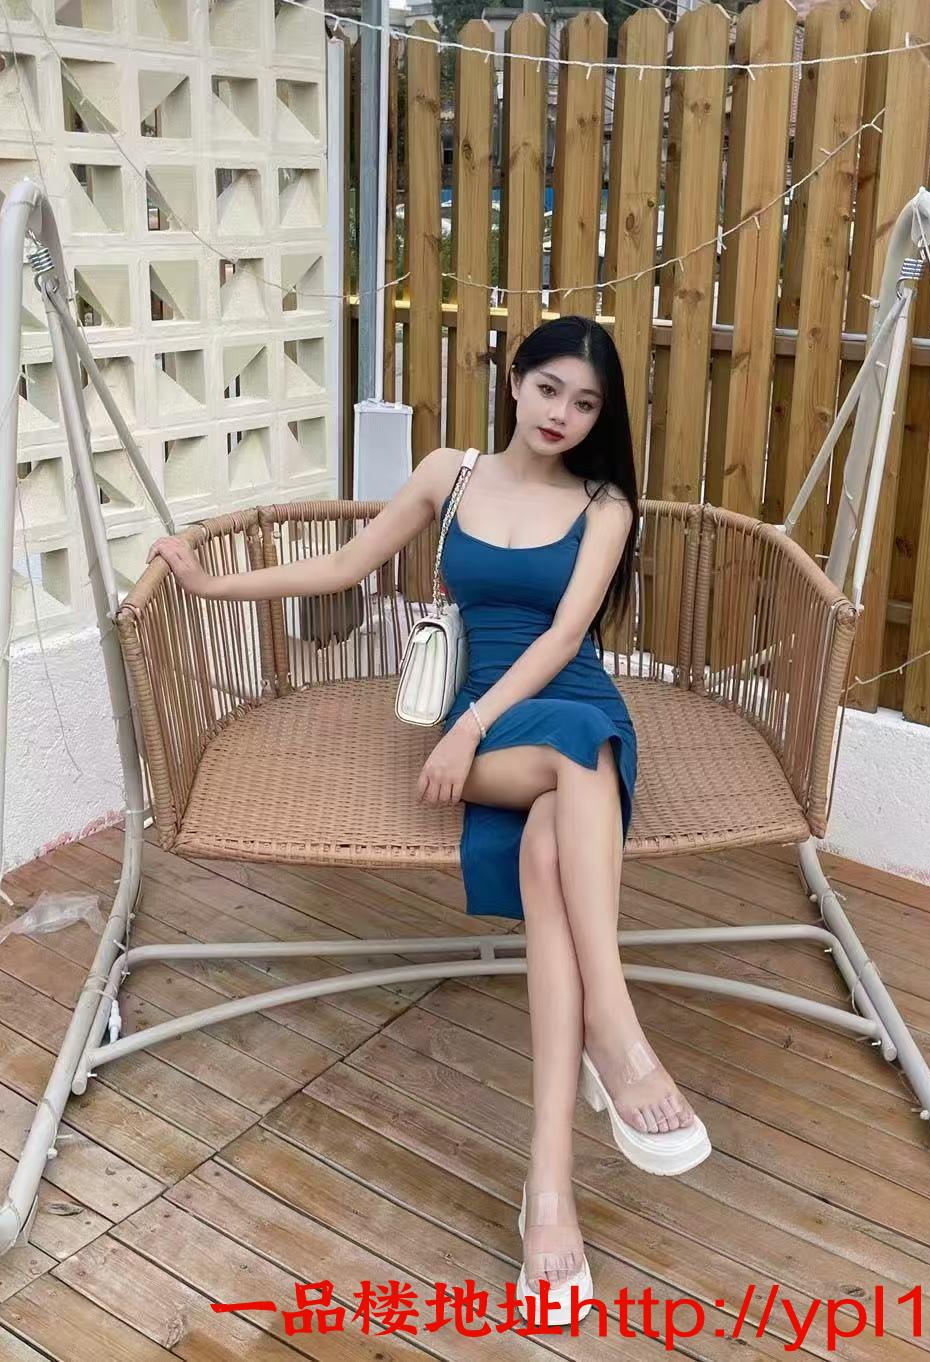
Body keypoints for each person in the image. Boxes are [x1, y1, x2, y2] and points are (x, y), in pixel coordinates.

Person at [146, 314, 710, 1328]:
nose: (563, 414)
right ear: (516, 380)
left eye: (586, 404)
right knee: (575, 762)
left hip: (562, 711)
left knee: (554, 840)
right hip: (488, 726)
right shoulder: (449, 475)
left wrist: (480, 727)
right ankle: (617, 1037)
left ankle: (550, 1190)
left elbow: (569, 636)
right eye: (549, 389)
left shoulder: (606, 505)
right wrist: (211, 583)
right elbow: (341, 568)